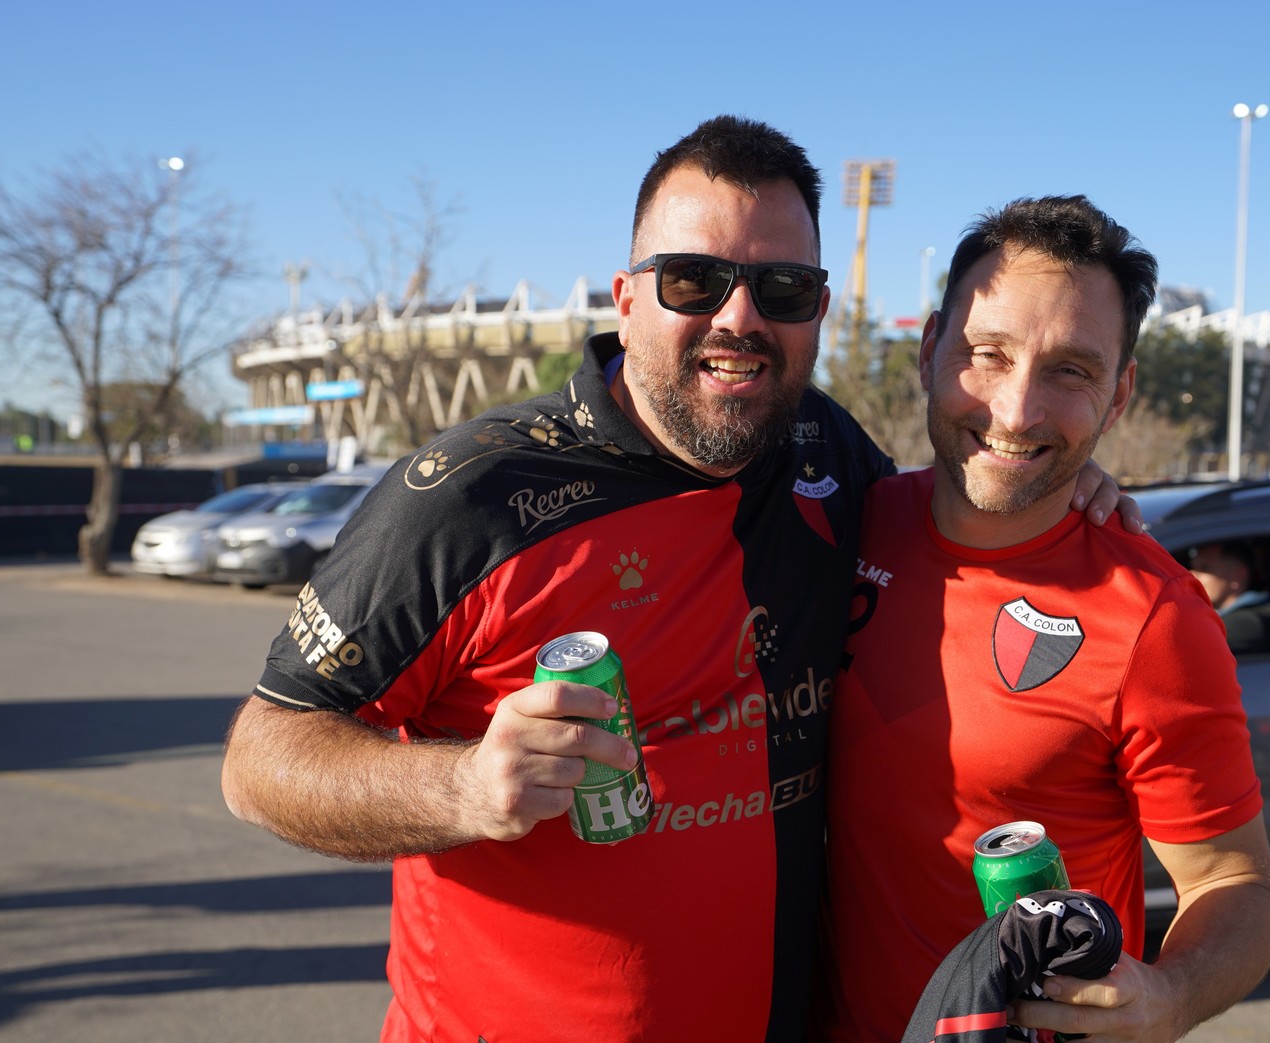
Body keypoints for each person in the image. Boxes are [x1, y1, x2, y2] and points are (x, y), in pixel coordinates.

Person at [219, 117, 1133, 1043]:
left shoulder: (823, 449)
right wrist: (461, 788)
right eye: (693, 279)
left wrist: (1050, 474)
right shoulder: (471, 499)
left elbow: (956, 509)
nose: (739, 318)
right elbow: (261, 759)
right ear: (625, 298)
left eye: (782, 288)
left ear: (816, 309)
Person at [818, 195, 1270, 1043]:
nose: (1017, 409)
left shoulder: (1153, 619)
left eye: (1070, 370)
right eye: (985, 354)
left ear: (1117, 397)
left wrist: (1173, 994)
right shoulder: (847, 519)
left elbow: (1240, 885)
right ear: (929, 350)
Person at [1187, 540, 1270, 655]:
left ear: (1237, 576)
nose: (1191, 576)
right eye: (1193, 567)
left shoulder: (1243, 624)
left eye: (1204, 568)